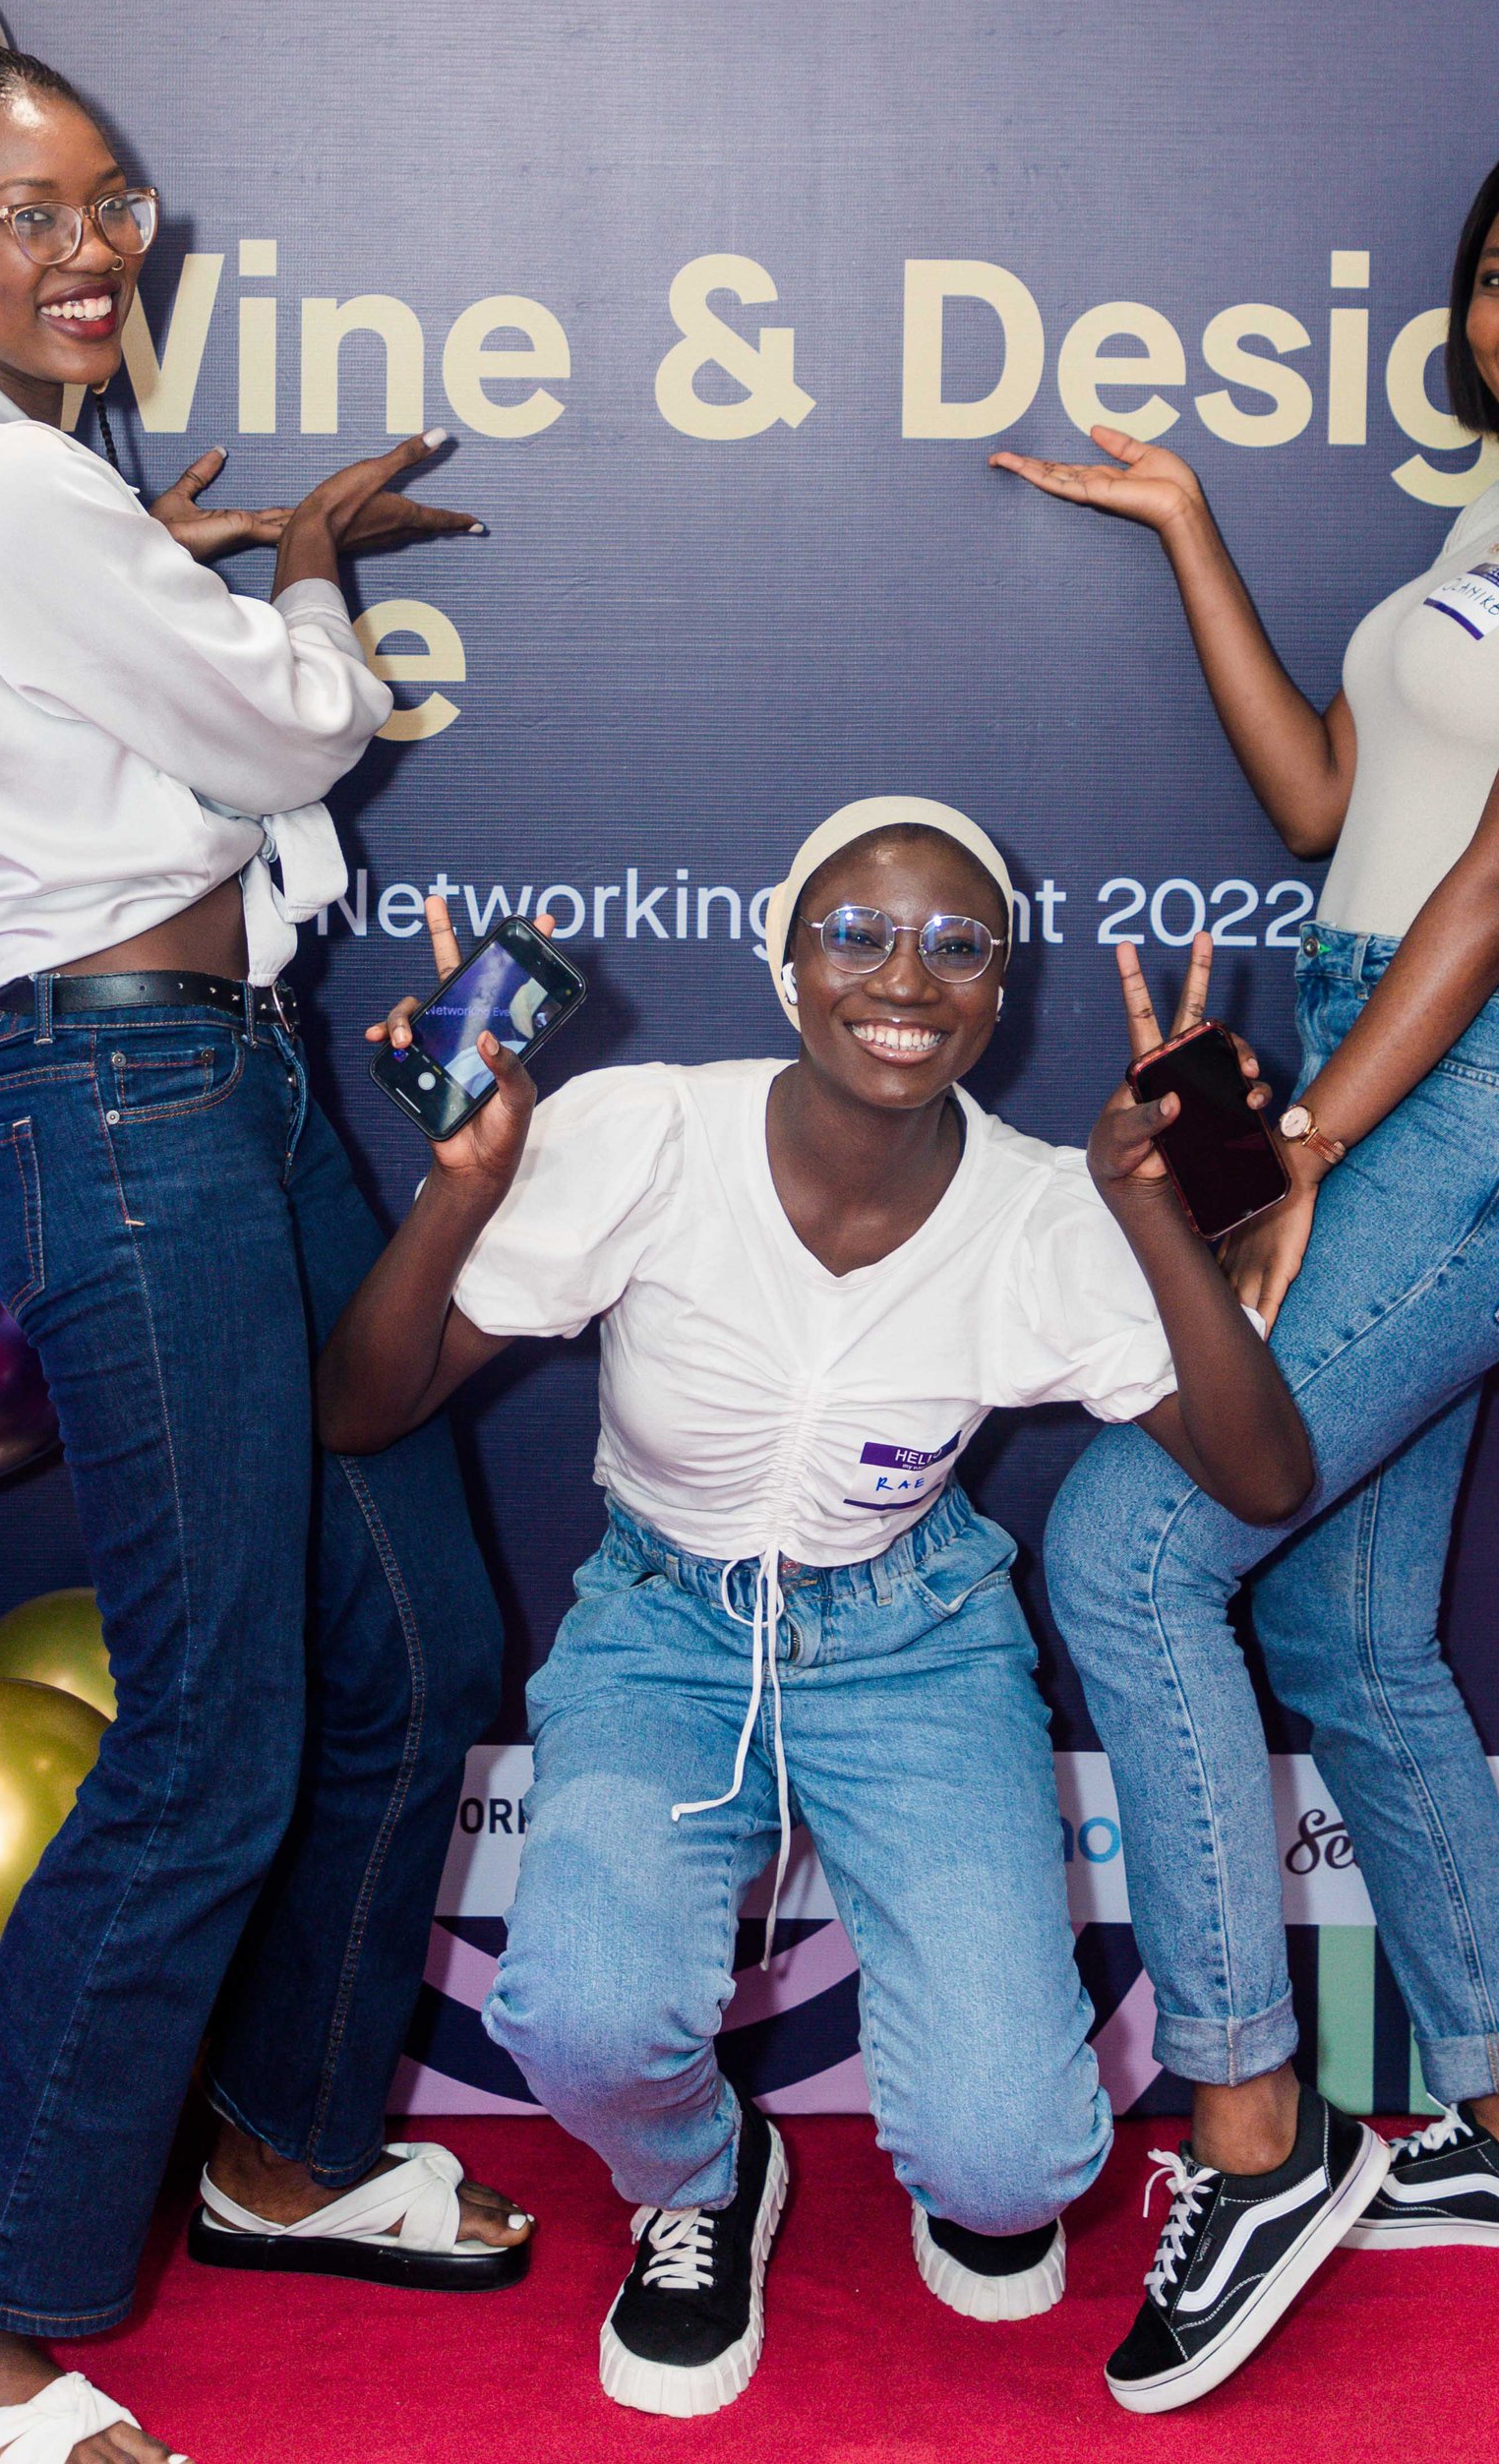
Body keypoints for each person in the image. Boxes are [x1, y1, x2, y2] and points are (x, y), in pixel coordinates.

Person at [991, 115, 1499, 2413]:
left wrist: (1314, 1134)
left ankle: (1253, 2125)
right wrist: (1185, 534)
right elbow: (1335, 810)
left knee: (1130, 1556)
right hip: (1386, 1041)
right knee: (1333, 1613)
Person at [0, 45, 532, 2464]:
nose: (91, 248)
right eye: (27, 216)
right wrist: (305, 579)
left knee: (413, 1643)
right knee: (217, 1723)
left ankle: (292, 2150)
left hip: (223, 1088)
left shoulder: (43, 490)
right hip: (125, 1120)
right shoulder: (3, 489)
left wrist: (196, 580)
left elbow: (192, 734)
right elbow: (301, 739)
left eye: (110, 201)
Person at [316, 796, 1314, 2419]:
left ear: (1003, 992)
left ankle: (968, 2159)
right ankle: (705, 2182)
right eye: (854, 931)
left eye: (955, 942)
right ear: (785, 958)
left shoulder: (1043, 1203)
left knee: (1018, 2165)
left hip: (915, 1642)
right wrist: (462, 1187)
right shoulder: (643, 1134)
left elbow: (1263, 1474)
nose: (901, 974)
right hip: (662, 1628)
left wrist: (1150, 1210)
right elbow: (362, 1406)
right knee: (573, 2014)